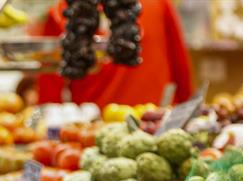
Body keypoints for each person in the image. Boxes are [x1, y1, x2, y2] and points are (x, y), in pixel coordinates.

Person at [36, 0, 193, 107]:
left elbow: (179, 64)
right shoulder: (62, 12)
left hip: (153, 121)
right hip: (98, 129)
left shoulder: (63, 11)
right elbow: (180, 66)